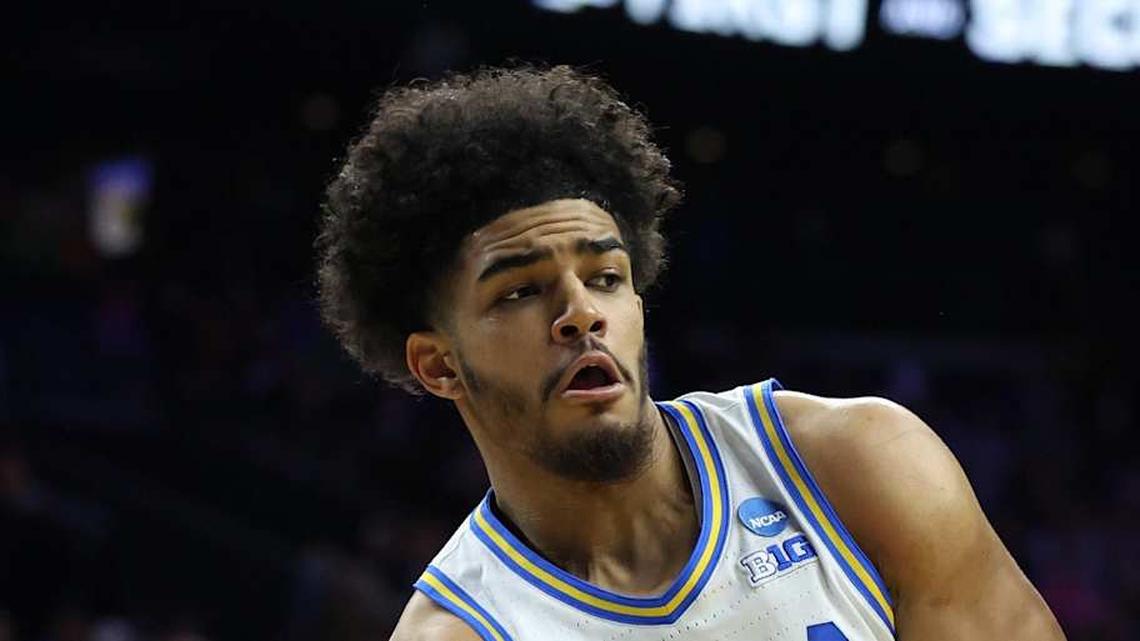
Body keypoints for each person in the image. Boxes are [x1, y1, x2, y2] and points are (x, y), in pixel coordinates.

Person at [316, 65, 1065, 641]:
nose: (580, 314)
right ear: (439, 364)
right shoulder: (467, 627)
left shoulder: (857, 464)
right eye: (519, 292)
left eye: (606, 277)